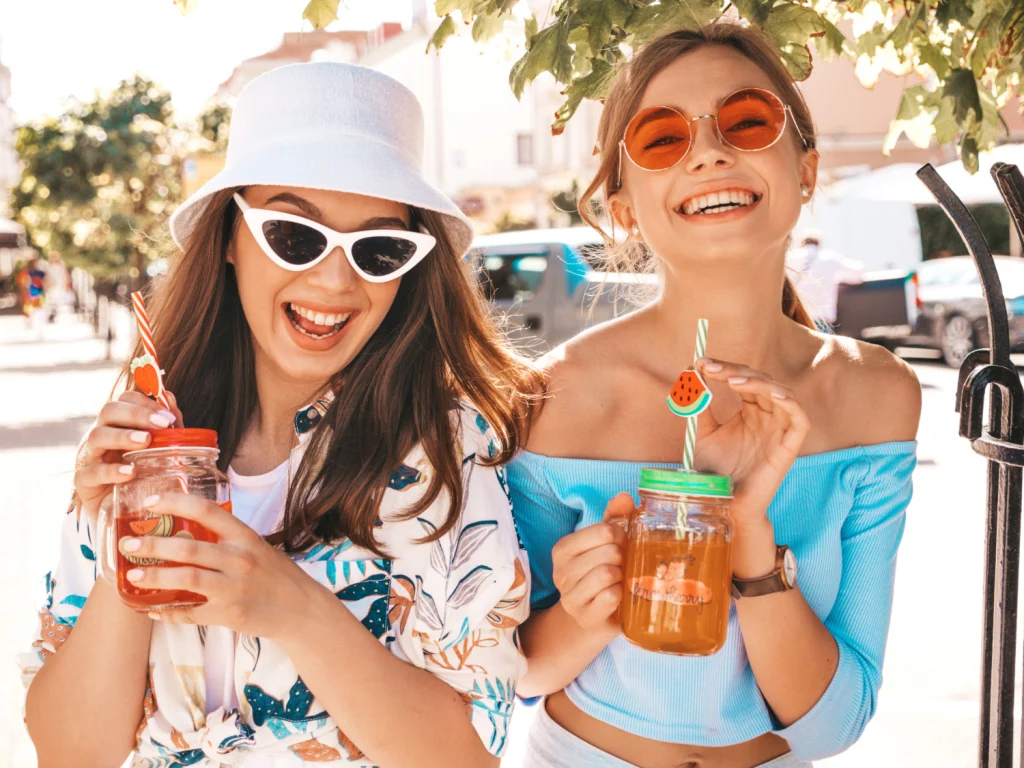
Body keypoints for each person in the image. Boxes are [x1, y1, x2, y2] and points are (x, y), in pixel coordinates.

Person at [19, 62, 540, 767]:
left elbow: (468, 757)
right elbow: (70, 754)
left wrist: (288, 604)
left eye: (379, 248)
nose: (334, 280)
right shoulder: (143, 443)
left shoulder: (442, 452)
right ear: (231, 238)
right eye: (295, 235)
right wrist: (126, 544)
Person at [508, 21, 920, 768]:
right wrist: (588, 608)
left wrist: (751, 541)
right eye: (663, 139)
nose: (708, 150)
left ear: (806, 171)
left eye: (747, 121)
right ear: (625, 206)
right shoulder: (552, 399)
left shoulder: (877, 395)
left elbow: (835, 727)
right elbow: (515, 672)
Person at [786, 230, 863, 329]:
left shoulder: (791, 257)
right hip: (822, 319)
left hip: (796, 319)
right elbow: (857, 275)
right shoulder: (829, 258)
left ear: (802, 243)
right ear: (819, 244)